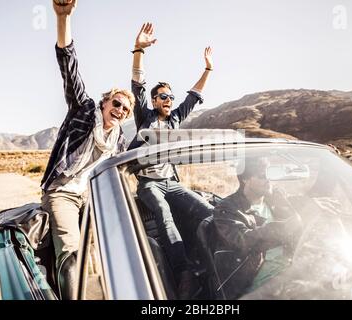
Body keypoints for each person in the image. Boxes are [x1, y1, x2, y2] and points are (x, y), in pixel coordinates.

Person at [40, 0, 135, 300]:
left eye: (125, 108)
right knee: (70, 252)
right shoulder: (83, 110)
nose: (120, 110)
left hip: (90, 198)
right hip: (63, 190)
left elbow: (128, 168)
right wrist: (63, 19)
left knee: (97, 254)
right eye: (116, 103)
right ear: (105, 103)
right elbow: (69, 67)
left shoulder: (119, 140)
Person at [129, 23, 214, 299]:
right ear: (154, 101)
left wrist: (208, 70)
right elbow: (137, 85)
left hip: (171, 182)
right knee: (164, 217)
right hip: (150, 185)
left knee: (204, 209)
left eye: (170, 97)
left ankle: (215, 261)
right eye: (164, 97)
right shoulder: (145, 117)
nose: (169, 100)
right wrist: (139, 49)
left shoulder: (176, 118)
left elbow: (194, 95)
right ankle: (182, 273)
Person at [213, 157, 302, 299]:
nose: (269, 180)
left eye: (270, 175)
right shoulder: (227, 208)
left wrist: (312, 205)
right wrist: (284, 228)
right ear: (245, 180)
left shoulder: (275, 196)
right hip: (260, 284)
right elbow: (243, 241)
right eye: (262, 176)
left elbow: (298, 215)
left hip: (292, 271)